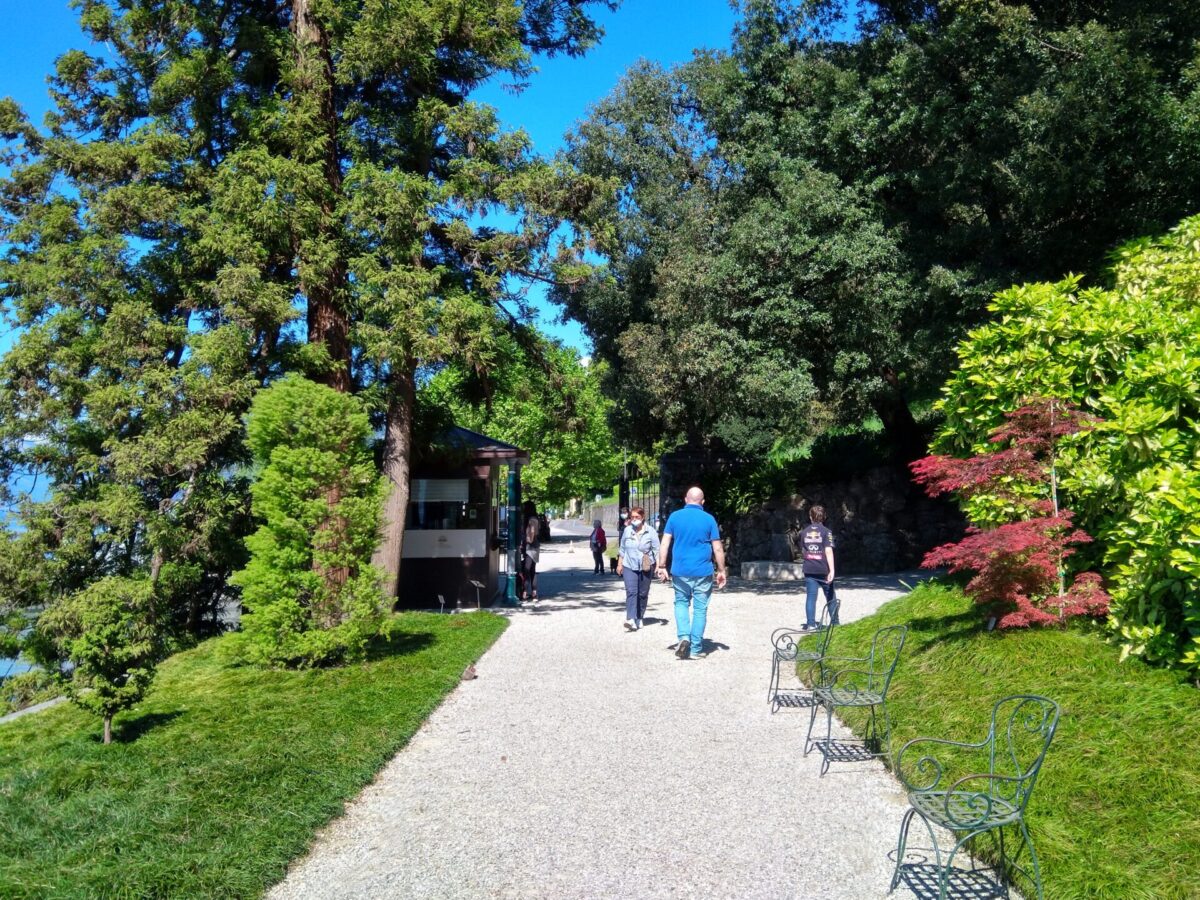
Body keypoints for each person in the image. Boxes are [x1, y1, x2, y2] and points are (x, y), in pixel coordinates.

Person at [657, 486, 727, 660]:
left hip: (680, 570)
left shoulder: (675, 517)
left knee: (681, 603)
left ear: (686, 499)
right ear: (702, 501)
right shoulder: (709, 519)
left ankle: (684, 637)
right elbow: (717, 548)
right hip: (703, 571)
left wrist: (662, 565)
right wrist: (721, 570)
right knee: (700, 609)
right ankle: (695, 648)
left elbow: (665, 543)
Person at [616, 506, 660, 631]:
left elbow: (657, 550)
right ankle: (631, 618)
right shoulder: (627, 530)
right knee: (631, 591)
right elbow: (622, 549)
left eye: (637, 517)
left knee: (643, 593)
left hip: (646, 565)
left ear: (643, 517)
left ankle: (639, 617)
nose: (634, 519)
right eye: (632, 517)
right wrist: (619, 564)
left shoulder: (651, 531)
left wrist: (659, 566)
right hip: (629, 565)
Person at [799, 504, 837, 629]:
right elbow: (828, 551)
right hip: (823, 569)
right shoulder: (827, 532)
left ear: (810, 517)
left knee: (811, 597)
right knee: (830, 596)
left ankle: (810, 624)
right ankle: (835, 623)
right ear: (824, 517)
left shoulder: (804, 532)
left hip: (809, 568)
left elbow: (803, 551)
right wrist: (832, 570)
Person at [521, 505, 541, 602]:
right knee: (532, 569)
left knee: (527, 569)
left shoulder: (531, 519)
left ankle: (525, 592)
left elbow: (532, 531)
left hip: (531, 546)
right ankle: (534, 593)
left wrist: (529, 540)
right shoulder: (535, 518)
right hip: (535, 545)